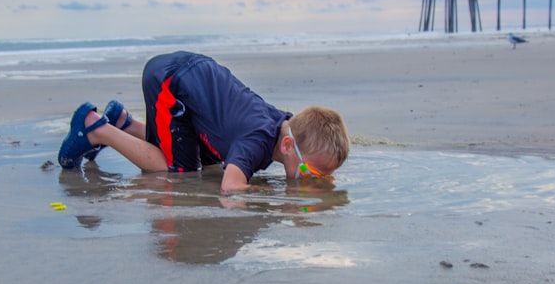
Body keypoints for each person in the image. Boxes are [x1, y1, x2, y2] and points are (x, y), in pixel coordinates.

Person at [58, 51, 349, 192]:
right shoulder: (256, 141)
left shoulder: (283, 125)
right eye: (310, 171)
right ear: (288, 146)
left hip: (194, 81)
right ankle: (97, 128)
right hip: (171, 82)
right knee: (179, 171)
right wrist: (271, 194)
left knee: (209, 162)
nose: (313, 180)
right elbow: (231, 187)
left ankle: (125, 124)